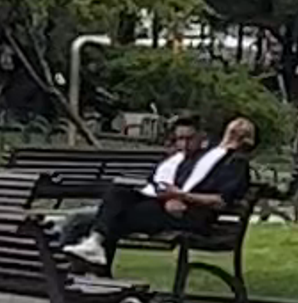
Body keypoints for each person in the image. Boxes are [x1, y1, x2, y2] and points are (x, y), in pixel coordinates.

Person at [80, 113, 258, 270]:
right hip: (169, 205)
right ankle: (95, 247)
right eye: (233, 130)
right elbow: (172, 181)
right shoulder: (206, 155)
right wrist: (169, 197)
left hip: (191, 214)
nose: (234, 135)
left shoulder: (235, 164)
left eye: (239, 133)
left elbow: (219, 201)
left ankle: (96, 260)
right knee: (119, 191)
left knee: (102, 219)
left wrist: (182, 196)